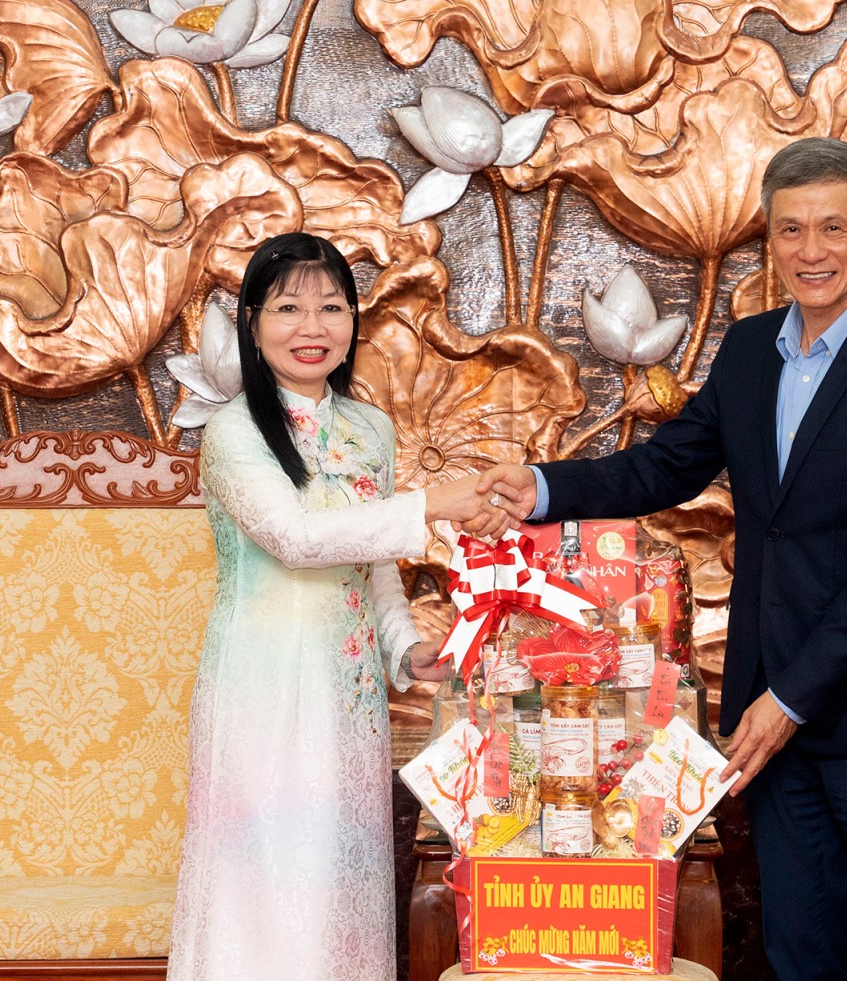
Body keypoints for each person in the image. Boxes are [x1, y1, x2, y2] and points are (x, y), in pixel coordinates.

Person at [474, 138, 847, 981]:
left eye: (832, 228)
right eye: (790, 230)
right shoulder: (748, 350)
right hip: (767, 708)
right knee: (798, 953)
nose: (811, 251)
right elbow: (665, 466)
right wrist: (542, 486)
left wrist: (790, 700)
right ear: (768, 239)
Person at [167, 232, 511, 980]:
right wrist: (431, 504)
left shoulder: (370, 429)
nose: (312, 326)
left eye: (331, 307)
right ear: (253, 322)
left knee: (337, 896)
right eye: (288, 308)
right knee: (263, 892)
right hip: (262, 692)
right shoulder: (234, 432)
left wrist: (403, 646)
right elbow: (295, 539)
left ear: (354, 321)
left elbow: (370, 561)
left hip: (349, 700)